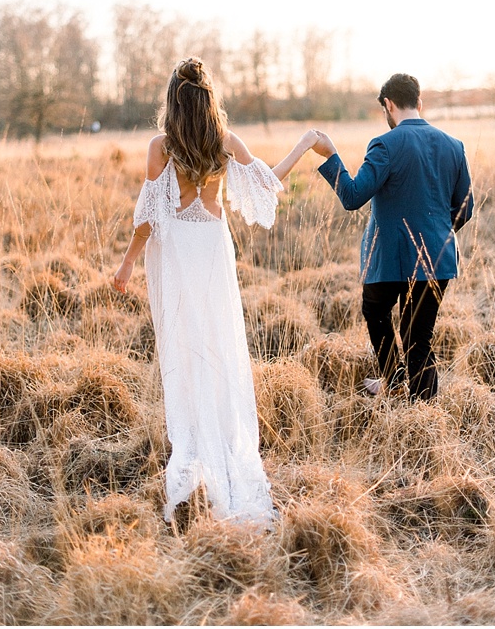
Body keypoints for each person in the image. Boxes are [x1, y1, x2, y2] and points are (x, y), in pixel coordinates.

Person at [113, 57, 318, 527]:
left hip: (179, 253)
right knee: (220, 344)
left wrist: (127, 263)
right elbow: (269, 181)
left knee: (185, 344)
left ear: (172, 103)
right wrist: (305, 144)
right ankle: (222, 442)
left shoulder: (161, 147)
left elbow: (147, 219)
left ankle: (194, 443)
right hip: (212, 247)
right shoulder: (224, 142)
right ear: (209, 102)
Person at [312, 73, 474, 402]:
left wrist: (331, 156)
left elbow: (353, 196)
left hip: (388, 260)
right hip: (437, 262)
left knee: (375, 312)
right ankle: (421, 418)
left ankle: (396, 382)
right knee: (419, 340)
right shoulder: (454, 146)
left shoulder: (385, 144)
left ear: (388, 105)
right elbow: (465, 208)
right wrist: (438, 235)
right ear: (419, 102)